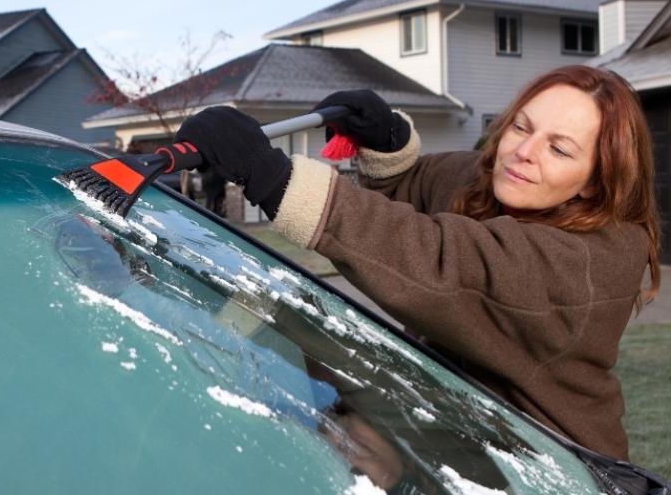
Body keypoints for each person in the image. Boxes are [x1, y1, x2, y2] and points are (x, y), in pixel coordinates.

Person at [174, 65, 661, 462]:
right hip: (452, 421)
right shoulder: (510, 184)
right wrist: (387, 141)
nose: (523, 153)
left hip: (545, 466)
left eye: (559, 148)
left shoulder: (586, 264)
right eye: (521, 126)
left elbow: (442, 260)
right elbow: (432, 184)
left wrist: (273, 177)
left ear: (595, 182)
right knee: (285, 313)